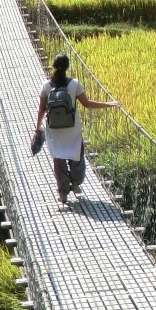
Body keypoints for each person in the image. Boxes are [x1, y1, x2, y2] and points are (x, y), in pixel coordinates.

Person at [35, 53, 119, 204]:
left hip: (54, 129)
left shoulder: (46, 86)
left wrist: (38, 128)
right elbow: (87, 104)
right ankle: (75, 183)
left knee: (58, 160)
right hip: (72, 128)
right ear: (68, 67)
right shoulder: (74, 84)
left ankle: (63, 193)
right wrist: (109, 104)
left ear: (53, 66)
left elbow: (41, 109)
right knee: (77, 157)